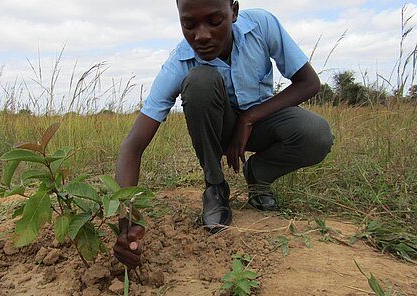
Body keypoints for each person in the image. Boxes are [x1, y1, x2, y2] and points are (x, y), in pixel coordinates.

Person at [113, 0, 334, 268]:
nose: (202, 35)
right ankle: (215, 187)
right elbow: (133, 146)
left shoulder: (262, 26)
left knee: (316, 134)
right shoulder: (179, 62)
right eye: (189, 24)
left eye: (215, 21)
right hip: (220, 131)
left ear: (234, 11)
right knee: (199, 82)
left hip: (261, 123)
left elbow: (309, 83)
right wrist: (126, 222)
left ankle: (259, 175)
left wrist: (250, 117)